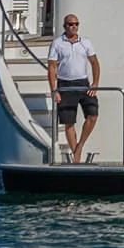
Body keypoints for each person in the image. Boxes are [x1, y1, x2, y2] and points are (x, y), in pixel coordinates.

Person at [47, 14, 100, 163]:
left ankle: (79, 147)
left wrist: (95, 83)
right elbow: (51, 67)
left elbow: (95, 63)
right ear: (65, 26)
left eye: (76, 24)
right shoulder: (57, 43)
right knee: (69, 122)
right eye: (70, 24)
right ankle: (76, 158)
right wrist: (54, 90)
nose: (73, 27)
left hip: (83, 83)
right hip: (65, 85)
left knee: (93, 115)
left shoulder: (86, 43)